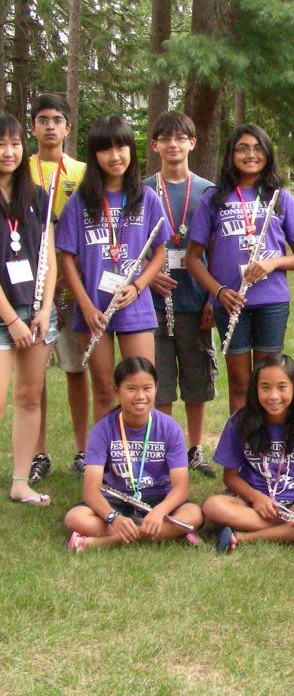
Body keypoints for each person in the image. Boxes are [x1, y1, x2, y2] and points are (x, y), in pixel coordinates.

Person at [186, 124, 294, 412]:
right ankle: (241, 449)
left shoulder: (280, 197)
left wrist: (274, 262)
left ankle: (269, 443)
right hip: (230, 301)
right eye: (242, 148)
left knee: (269, 381)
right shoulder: (214, 199)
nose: (250, 154)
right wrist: (218, 292)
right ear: (231, 154)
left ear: (268, 154)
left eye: (257, 148)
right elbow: (193, 258)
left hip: (272, 301)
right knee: (240, 382)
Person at [57, 115, 171, 423]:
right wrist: (85, 305)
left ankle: (145, 457)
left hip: (134, 306)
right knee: (105, 390)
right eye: (105, 149)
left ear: (131, 151)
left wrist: (138, 286)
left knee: (142, 387)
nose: (115, 156)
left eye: (121, 147)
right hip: (93, 310)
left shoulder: (146, 198)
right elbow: (66, 257)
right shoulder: (80, 202)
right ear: (94, 155)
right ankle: (105, 459)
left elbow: (160, 252)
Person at [203, 354, 294, 552]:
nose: (273, 396)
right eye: (265, 387)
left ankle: (245, 536)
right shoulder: (240, 421)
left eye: (282, 387)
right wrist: (256, 498)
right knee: (213, 506)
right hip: (252, 504)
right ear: (255, 390)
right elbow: (230, 477)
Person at [144, 111, 218, 477]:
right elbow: (134, 244)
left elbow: (218, 249)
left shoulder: (208, 191)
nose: (173, 145)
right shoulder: (143, 189)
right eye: (165, 138)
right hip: (152, 302)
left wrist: (212, 297)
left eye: (180, 138)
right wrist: (149, 275)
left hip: (195, 299)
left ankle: (194, 447)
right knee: (160, 380)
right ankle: (166, 447)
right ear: (155, 145)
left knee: (196, 376)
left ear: (192, 143)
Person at [63, 357, 203, 551]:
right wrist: (114, 518)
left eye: (147, 388)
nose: (140, 396)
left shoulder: (170, 428)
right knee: (75, 518)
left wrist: (159, 512)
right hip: (117, 502)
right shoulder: (102, 429)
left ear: (156, 388)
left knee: (193, 513)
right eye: (131, 389)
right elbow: (91, 491)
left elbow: (180, 488)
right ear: (116, 391)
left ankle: (107, 541)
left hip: (160, 500)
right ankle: (169, 532)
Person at [27, 93, 89, 480]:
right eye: (43, 119)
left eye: (57, 119)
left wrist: (68, 283)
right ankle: (38, 452)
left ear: (68, 127)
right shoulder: (20, 170)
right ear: (33, 127)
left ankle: (83, 450)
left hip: (72, 284)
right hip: (28, 289)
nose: (50, 126)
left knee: (75, 368)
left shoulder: (82, 173)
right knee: (34, 377)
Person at [0, 113, 57, 506]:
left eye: (15, 144)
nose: (9, 152)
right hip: (4, 314)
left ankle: (21, 481)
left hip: (37, 311)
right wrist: (12, 319)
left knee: (29, 397)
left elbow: (48, 256)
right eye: (1, 145)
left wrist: (44, 309)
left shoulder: (36, 195)